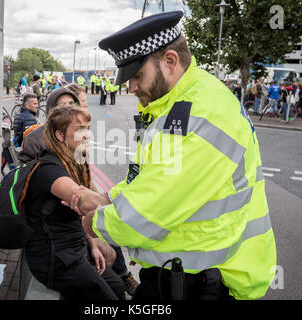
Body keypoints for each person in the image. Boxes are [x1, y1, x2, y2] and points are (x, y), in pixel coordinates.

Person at [64, 11, 276, 301]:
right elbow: (150, 178)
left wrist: (94, 222)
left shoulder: (202, 113)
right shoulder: (176, 104)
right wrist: (110, 198)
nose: (131, 87)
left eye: (138, 76)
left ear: (171, 61)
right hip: (184, 273)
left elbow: (149, 211)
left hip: (205, 283)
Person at [24, 104, 125, 300]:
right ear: (60, 136)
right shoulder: (49, 169)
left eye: (88, 128)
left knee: (118, 287)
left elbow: (77, 219)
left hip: (76, 250)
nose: (87, 135)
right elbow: (86, 200)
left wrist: (93, 245)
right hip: (56, 259)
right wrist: (135, 208)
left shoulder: (73, 162)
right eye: (80, 130)